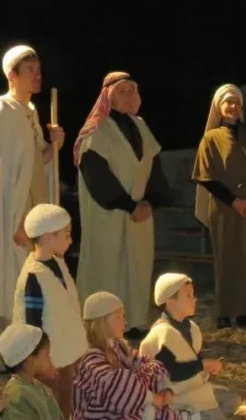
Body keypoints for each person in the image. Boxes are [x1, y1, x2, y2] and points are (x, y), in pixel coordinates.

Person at [0, 45, 65, 370]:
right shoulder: (2, 110)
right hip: (15, 214)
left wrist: (51, 145)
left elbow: (35, 164)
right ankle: (9, 354)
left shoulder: (30, 113)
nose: (38, 75)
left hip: (34, 210)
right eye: (31, 70)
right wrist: (17, 221)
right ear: (12, 75)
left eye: (39, 69)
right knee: (15, 280)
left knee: (34, 281)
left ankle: (34, 351)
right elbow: (5, 170)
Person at [74, 73, 174, 334]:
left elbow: (153, 166)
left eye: (132, 91)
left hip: (139, 213)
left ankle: (134, 321)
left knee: (137, 267)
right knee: (108, 267)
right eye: (122, 91)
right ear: (108, 96)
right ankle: (101, 325)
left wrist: (151, 201)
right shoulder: (97, 130)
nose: (128, 96)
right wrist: (128, 205)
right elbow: (96, 175)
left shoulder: (140, 126)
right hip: (109, 214)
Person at [191, 84, 246, 329]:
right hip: (226, 206)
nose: (233, 107)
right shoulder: (211, 139)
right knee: (228, 256)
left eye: (237, 103)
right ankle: (226, 310)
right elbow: (207, 178)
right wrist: (235, 201)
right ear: (219, 107)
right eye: (228, 102)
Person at [74, 291, 196, 420]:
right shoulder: (89, 356)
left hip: (120, 408)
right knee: (126, 381)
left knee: (146, 372)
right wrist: (152, 398)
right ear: (102, 322)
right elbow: (112, 386)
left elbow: (146, 362)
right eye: (119, 317)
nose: (124, 322)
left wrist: (164, 387)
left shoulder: (118, 347)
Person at [11, 203, 87, 420]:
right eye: (66, 235)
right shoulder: (34, 276)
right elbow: (32, 322)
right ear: (47, 237)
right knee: (47, 407)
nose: (70, 241)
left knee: (63, 402)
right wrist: (40, 360)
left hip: (63, 351)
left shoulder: (58, 264)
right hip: (46, 358)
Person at [139, 273, 238, 420]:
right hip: (173, 396)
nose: (194, 299)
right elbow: (171, 373)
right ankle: (176, 417)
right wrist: (201, 365)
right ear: (170, 302)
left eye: (193, 294)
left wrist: (207, 367)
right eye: (188, 295)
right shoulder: (162, 334)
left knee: (233, 400)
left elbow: (193, 358)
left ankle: (197, 412)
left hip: (192, 389)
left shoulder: (192, 329)